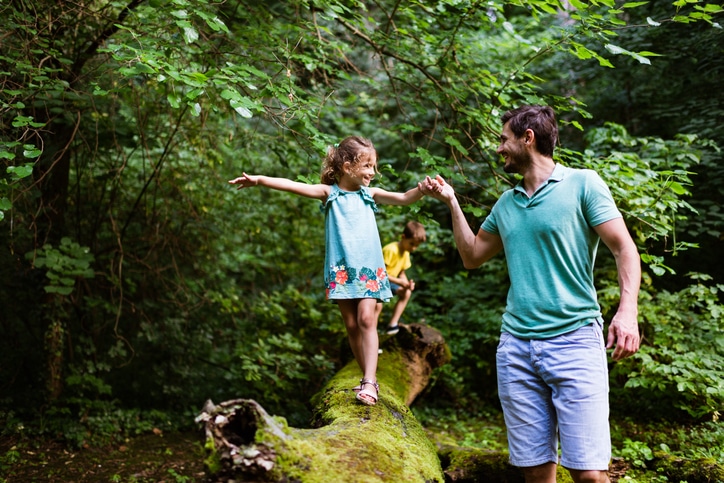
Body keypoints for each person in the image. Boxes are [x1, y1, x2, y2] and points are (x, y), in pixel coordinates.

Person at [419, 105, 641, 483]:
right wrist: (453, 203)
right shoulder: (507, 204)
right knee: (537, 474)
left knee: (588, 473)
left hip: (575, 341)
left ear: (528, 138)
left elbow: (624, 249)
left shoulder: (583, 184)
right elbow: (472, 256)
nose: (499, 148)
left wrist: (627, 311)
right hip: (517, 348)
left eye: (504, 139)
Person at [229, 136, 428, 406]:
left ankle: (370, 381)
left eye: (374, 166)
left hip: (368, 269)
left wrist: (422, 189)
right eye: (367, 166)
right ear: (347, 167)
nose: (372, 172)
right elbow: (292, 185)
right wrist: (258, 179)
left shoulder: (370, 195)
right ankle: (367, 376)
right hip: (342, 271)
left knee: (367, 320)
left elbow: (404, 198)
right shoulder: (330, 193)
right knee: (350, 325)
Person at [374, 220, 427, 334]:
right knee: (377, 307)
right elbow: (380, 274)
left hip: (390, 281)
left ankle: (392, 324)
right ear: (403, 237)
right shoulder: (391, 250)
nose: (413, 248)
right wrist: (399, 281)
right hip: (377, 282)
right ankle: (372, 335)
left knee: (406, 293)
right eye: (412, 244)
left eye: (416, 246)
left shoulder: (406, 253)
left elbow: (402, 273)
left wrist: (407, 284)